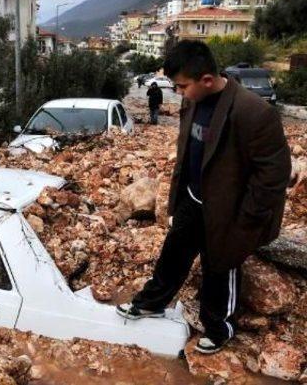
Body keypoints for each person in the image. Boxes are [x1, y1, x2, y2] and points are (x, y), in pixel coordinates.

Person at [116, 40, 291, 354]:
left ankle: (219, 328)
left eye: (182, 86)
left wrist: (245, 221)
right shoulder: (193, 101)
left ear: (207, 80)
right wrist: (175, 201)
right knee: (173, 254)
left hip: (230, 212)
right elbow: (186, 157)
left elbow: (273, 176)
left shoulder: (254, 112)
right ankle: (150, 303)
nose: (179, 93)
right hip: (193, 200)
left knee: (219, 269)